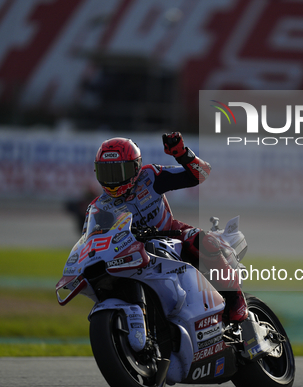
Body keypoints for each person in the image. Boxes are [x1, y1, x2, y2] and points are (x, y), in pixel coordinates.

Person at [88, 133, 248, 323]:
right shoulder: (99, 207)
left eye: (119, 172)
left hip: (171, 234)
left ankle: (235, 297)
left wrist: (182, 154)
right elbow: (89, 242)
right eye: (107, 173)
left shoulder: (150, 176)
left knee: (201, 240)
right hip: (132, 250)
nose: (113, 180)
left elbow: (202, 174)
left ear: (135, 167)